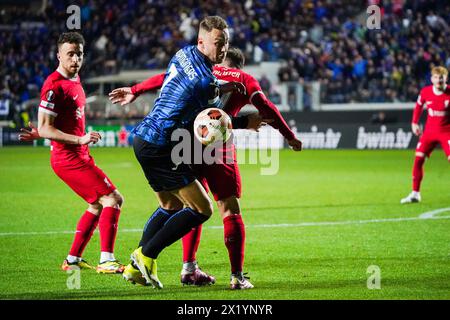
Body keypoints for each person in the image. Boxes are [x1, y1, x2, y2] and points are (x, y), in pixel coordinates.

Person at [109, 47, 302, 289]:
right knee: (228, 210)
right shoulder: (244, 79)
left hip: (187, 144)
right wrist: (290, 136)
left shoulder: (205, 70)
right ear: (239, 66)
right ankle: (237, 277)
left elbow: (163, 78)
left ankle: (186, 268)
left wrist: (136, 90)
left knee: (183, 206)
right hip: (219, 148)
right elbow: (266, 107)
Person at [116, 16, 230, 289]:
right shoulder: (206, 84)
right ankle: (144, 255)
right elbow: (211, 121)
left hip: (143, 138)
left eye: (226, 43)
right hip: (162, 146)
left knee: (170, 205)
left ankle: (134, 269)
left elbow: (167, 80)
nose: (223, 49)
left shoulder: (183, 53)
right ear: (202, 41)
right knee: (202, 209)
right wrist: (239, 120)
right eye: (218, 43)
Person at [18, 32, 125, 273]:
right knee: (113, 199)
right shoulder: (54, 86)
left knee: (97, 205)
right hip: (68, 159)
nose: (75, 58)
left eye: (79, 54)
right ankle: (107, 260)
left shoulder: (75, 80)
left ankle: (73, 259)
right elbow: (46, 126)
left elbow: (51, 126)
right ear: (59, 55)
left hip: (79, 154)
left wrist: (46, 133)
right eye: (70, 54)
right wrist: (78, 138)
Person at [400, 66, 450, 204]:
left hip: (447, 132)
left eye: (442, 77)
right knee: (418, 159)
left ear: (446, 78)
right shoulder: (425, 92)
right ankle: (415, 194)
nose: (439, 80)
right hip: (429, 132)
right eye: (436, 77)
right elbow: (418, 107)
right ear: (431, 79)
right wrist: (414, 123)